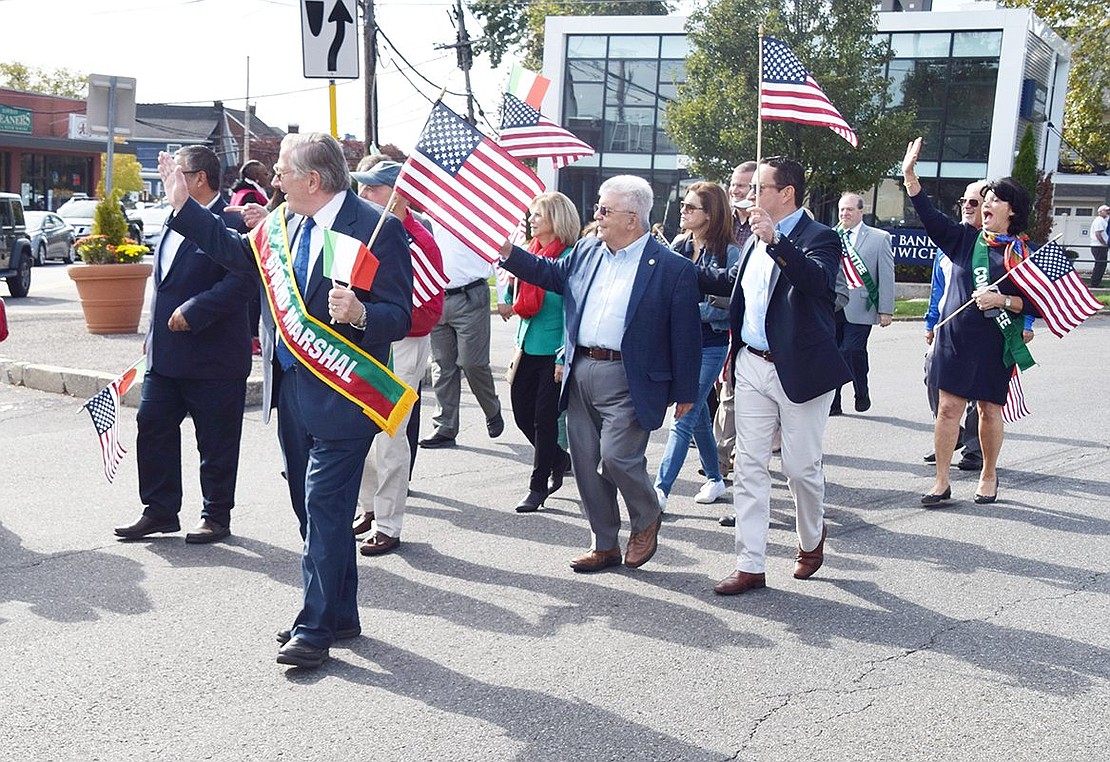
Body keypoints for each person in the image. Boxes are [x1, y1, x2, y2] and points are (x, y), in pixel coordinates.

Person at [157, 132, 413, 669]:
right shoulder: (286, 224)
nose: (275, 181)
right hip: (291, 386)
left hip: (345, 391)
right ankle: (341, 612)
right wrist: (183, 205)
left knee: (323, 505)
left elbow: (401, 315)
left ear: (313, 180)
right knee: (311, 508)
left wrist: (362, 316)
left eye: (283, 173)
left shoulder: (379, 228)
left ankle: (315, 627)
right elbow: (236, 255)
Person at [498, 175, 701, 573]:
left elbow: (685, 334)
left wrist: (686, 390)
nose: (597, 216)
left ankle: (646, 517)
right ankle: (604, 543)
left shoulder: (671, 269)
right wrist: (508, 252)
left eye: (605, 210)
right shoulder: (587, 251)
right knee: (588, 461)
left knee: (617, 458)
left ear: (633, 218)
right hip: (580, 369)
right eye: (598, 209)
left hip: (630, 376)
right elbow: (549, 274)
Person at [697, 156, 851, 596]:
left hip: (799, 367)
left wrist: (777, 240)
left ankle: (810, 538)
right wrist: (681, 273)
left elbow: (817, 283)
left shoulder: (819, 237)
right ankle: (750, 564)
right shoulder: (750, 239)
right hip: (751, 364)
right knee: (748, 465)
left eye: (759, 188)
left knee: (800, 469)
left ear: (787, 193)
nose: (749, 196)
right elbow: (732, 283)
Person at [114, 145, 256, 545]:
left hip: (213, 356)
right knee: (152, 425)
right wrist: (151, 334)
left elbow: (244, 281)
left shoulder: (236, 221)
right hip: (166, 355)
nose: (169, 180)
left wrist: (197, 309)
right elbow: (165, 282)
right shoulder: (171, 217)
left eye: (177, 172)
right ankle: (159, 510)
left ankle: (216, 515)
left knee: (215, 441)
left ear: (199, 179)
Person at [902, 137, 1040, 508]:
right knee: (947, 407)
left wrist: (1005, 300)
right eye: (985, 200)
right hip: (954, 337)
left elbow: (1039, 304)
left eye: (994, 200)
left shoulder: (1023, 254)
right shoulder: (965, 240)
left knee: (987, 409)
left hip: (994, 341)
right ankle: (941, 481)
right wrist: (910, 177)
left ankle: (988, 473)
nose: (985, 205)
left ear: (1012, 211)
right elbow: (930, 217)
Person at [350, 157, 445, 555]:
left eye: (374, 188)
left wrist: (379, 317)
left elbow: (428, 310)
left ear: (399, 194)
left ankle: (388, 522)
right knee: (361, 432)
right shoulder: (363, 230)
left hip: (401, 343)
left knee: (391, 435)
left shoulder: (417, 241)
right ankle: (371, 507)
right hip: (364, 340)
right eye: (363, 187)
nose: (365, 194)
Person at [654, 181, 739, 510]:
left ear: (711, 213)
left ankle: (659, 491)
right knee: (700, 412)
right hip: (679, 344)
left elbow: (730, 306)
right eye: (683, 205)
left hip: (711, 345)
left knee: (684, 415)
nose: (683, 211)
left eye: (691, 207)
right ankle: (716, 479)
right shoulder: (678, 244)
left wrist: (693, 310)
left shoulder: (730, 252)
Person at [503, 192, 578, 513]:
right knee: (521, 415)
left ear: (556, 219)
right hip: (527, 346)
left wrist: (564, 357)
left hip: (554, 351)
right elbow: (514, 293)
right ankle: (560, 459)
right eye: (531, 215)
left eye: (537, 215)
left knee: (544, 420)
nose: (531, 220)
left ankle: (537, 486)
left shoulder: (571, 257)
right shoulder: (528, 253)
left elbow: (571, 312)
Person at [418, 225, 504, 449]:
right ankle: (445, 426)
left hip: (470, 296)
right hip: (437, 295)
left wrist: (503, 295)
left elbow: (498, 253)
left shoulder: (469, 213)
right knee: (441, 365)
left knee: (472, 363)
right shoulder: (428, 217)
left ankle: (491, 407)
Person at [830, 192, 895, 415]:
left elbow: (886, 275)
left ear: (860, 211)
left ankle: (861, 390)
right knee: (833, 352)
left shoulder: (878, 238)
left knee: (851, 350)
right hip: (834, 305)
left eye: (849, 209)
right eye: (841, 209)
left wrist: (886, 309)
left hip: (862, 306)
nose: (844, 213)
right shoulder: (831, 236)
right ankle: (834, 401)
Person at [715, 162, 757, 481]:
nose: (735, 190)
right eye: (733, 184)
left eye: (743, 186)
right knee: (727, 394)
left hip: (758, 329)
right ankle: (719, 461)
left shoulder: (763, 227)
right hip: (724, 323)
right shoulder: (722, 225)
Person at [1089, 204, 1108, 288]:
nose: (1108, 212)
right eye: (1106, 210)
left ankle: (1096, 282)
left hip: (1099, 246)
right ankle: (1095, 283)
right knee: (1100, 264)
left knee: (1101, 264)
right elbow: (1098, 233)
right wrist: (1104, 243)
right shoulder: (1099, 220)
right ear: (1100, 212)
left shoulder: (1103, 220)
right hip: (1098, 246)